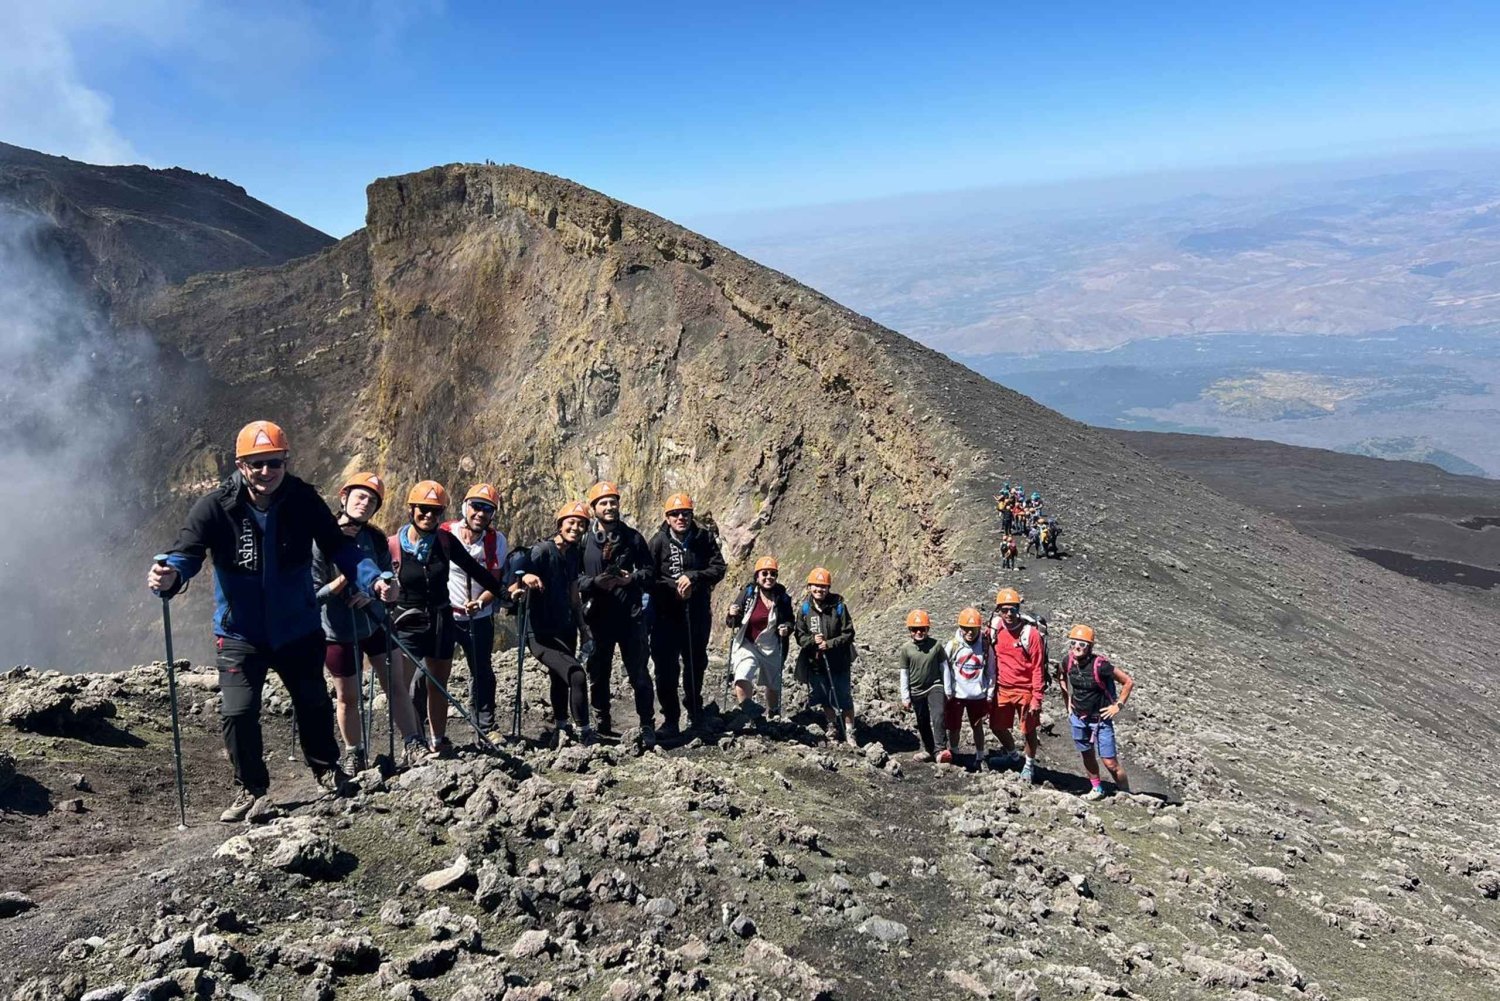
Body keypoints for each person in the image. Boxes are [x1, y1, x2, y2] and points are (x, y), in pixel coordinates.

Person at [147, 421, 397, 823]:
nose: (267, 472)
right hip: (239, 631)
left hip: (297, 627)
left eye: (275, 463)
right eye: (258, 464)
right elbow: (187, 553)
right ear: (241, 464)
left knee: (313, 702)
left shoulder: (303, 501)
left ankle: (325, 768)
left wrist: (375, 577)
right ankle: (251, 788)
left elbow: (340, 547)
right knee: (237, 711)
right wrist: (171, 575)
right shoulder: (215, 506)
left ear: (285, 461)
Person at [311, 472, 421, 773]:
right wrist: (346, 581)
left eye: (372, 501)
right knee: (347, 696)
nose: (365, 503)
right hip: (338, 630)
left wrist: (382, 593)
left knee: (396, 686)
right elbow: (312, 595)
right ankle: (354, 752)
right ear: (344, 497)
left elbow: (390, 584)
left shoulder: (374, 538)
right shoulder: (319, 538)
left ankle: (413, 743)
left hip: (374, 623)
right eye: (360, 496)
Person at [388, 480, 507, 759]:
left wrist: (505, 593)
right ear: (411, 509)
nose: (429, 516)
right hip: (406, 621)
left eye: (435, 511)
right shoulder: (393, 545)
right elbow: (378, 575)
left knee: (438, 684)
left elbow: (476, 572)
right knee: (402, 686)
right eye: (424, 509)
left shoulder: (444, 541)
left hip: (441, 621)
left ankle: (437, 739)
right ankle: (412, 741)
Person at [578, 480, 656, 740]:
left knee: (639, 673)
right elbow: (573, 577)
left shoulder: (633, 537)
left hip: (630, 618)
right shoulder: (583, 540)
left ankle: (647, 724)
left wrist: (629, 579)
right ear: (594, 508)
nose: (610, 507)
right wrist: (594, 582)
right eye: (604, 503)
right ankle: (602, 721)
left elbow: (649, 572)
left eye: (613, 502)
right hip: (597, 619)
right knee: (598, 674)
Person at [514, 501, 595, 745]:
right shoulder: (541, 551)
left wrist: (583, 628)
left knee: (560, 678)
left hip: (565, 627)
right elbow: (517, 580)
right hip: (540, 632)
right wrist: (525, 578)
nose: (576, 527)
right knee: (576, 674)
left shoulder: (572, 554)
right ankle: (584, 732)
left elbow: (573, 594)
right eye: (571, 522)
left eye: (581, 524)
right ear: (560, 525)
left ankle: (562, 727)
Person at [648, 493, 727, 737]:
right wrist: (674, 586)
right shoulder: (658, 542)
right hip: (666, 615)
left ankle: (695, 713)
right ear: (667, 517)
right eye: (675, 514)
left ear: (692, 515)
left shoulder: (703, 538)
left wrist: (693, 577)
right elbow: (648, 578)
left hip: (697, 612)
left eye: (685, 513)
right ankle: (670, 719)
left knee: (696, 664)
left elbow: (718, 568)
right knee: (665, 668)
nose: (680, 518)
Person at [443, 483, 508, 732]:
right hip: (446, 615)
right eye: (476, 507)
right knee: (430, 669)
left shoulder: (495, 541)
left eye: (487, 509)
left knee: (482, 670)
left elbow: (495, 579)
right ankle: (419, 726)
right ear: (465, 507)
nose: (480, 513)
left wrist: (481, 601)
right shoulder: (445, 533)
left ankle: (485, 724)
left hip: (479, 616)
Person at [1058, 625, 1134, 800]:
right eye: (1074, 643)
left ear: (1090, 647)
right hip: (1078, 717)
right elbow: (1061, 676)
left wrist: (1118, 705)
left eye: (1082, 644)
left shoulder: (1101, 666)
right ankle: (1097, 788)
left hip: (1100, 720)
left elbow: (1128, 682)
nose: (1077, 647)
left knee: (1110, 762)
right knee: (1087, 754)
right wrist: (1067, 702)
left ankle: (1126, 793)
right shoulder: (1067, 661)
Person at [793, 567, 858, 746]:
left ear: (829, 588)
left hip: (839, 661)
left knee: (843, 695)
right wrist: (812, 640)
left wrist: (829, 644)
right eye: (816, 586)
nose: (819, 590)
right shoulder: (805, 609)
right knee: (823, 695)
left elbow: (849, 633)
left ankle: (850, 730)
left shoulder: (839, 607)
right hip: (816, 661)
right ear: (809, 586)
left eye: (823, 586)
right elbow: (799, 636)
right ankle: (832, 725)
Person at [987, 587, 1045, 782]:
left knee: (1028, 730)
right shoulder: (995, 628)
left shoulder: (1031, 634)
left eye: (1013, 609)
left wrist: (1037, 697)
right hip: (1002, 688)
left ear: (1018, 609)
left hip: (1026, 690)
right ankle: (1013, 756)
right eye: (1004, 610)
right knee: (996, 726)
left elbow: (1038, 667)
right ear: (998, 611)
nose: (1009, 614)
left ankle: (1029, 766)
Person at [725, 556, 794, 720]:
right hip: (748, 644)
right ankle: (747, 711)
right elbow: (731, 622)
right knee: (742, 674)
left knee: (773, 683)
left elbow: (790, 621)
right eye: (765, 573)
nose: (769, 577)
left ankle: (773, 711)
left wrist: (787, 628)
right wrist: (732, 613)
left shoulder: (782, 597)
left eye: (773, 574)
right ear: (757, 576)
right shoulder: (748, 594)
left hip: (772, 645)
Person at [943, 608, 994, 771]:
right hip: (957, 695)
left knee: (977, 727)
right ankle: (955, 753)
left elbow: (991, 670)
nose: (970, 632)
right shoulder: (953, 645)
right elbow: (945, 668)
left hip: (978, 695)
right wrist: (948, 690)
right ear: (960, 628)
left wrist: (990, 692)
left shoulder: (986, 646)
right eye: (966, 628)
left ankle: (980, 757)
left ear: (979, 628)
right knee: (954, 727)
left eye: (973, 628)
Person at [897, 610, 948, 763]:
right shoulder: (906, 649)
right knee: (922, 720)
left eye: (923, 629)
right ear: (910, 631)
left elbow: (944, 667)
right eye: (915, 629)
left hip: (935, 685)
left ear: (928, 629)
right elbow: (904, 673)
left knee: (938, 715)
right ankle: (928, 749)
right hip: (916, 690)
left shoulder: (936, 645)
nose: (919, 632)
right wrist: (905, 696)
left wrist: (949, 689)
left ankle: (940, 750)